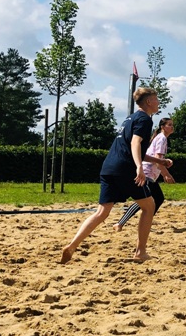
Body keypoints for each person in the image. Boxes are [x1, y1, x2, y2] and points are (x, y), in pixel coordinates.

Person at [60, 87, 160, 264]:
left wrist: (159, 161)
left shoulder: (130, 118)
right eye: (156, 99)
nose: (158, 102)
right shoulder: (145, 119)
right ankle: (140, 252)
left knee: (102, 212)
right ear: (148, 101)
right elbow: (135, 143)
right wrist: (139, 167)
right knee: (149, 206)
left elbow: (131, 148)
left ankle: (72, 245)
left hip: (109, 167)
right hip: (126, 169)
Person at [115, 117, 175, 230]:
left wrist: (166, 162)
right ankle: (121, 223)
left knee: (155, 198)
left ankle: (144, 222)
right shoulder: (162, 138)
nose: (172, 127)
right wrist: (166, 174)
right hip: (147, 173)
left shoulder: (160, 137)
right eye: (169, 125)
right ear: (162, 127)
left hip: (149, 173)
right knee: (146, 200)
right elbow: (157, 160)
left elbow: (158, 159)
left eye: (172, 125)